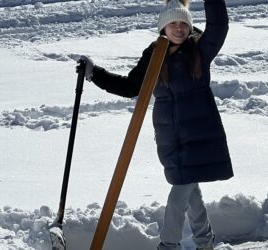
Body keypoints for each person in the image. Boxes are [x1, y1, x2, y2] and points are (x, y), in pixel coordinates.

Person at [79, 0, 233, 249]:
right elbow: (131, 86)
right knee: (189, 192)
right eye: (173, 22)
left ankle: (168, 245)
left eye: (183, 23)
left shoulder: (199, 50)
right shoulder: (155, 54)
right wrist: (94, 73)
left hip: (199, 137)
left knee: (179, 193)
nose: (179, 28)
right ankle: (205, 242)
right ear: (163, 26)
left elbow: (219, 26)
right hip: (170, 138)